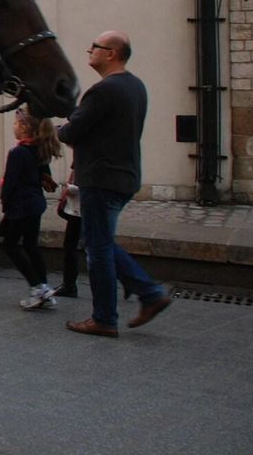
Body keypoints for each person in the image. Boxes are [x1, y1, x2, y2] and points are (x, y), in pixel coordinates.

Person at [58, 30, 171, 337]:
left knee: (98, 248)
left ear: (112, 53)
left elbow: (72, 132)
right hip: (124, 176)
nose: (89, 49)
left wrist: (59, 128)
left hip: (101, 177)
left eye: (95, 46)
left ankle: (107, 317)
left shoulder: (103, 91)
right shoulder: (136, 86)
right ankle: (148, 294)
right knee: (100, 242)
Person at [0, 110, 61, 310]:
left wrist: (5, 205)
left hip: (21, 205)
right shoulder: (39, 150)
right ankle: (43, 287)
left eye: (16, 123)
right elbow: (44, 175)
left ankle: (38, 287)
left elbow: (10, 183)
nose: (14, 127)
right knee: (30, 245)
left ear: (24, 127)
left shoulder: (17, 152)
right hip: (35, 204)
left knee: (10, 244)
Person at [55, 165, 83, 298]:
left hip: (80, 210)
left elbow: (83, 185)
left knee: (71, 246)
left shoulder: (87, 154)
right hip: (76, 210)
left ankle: (69, 285)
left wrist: (69, 188)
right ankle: (69, 284)